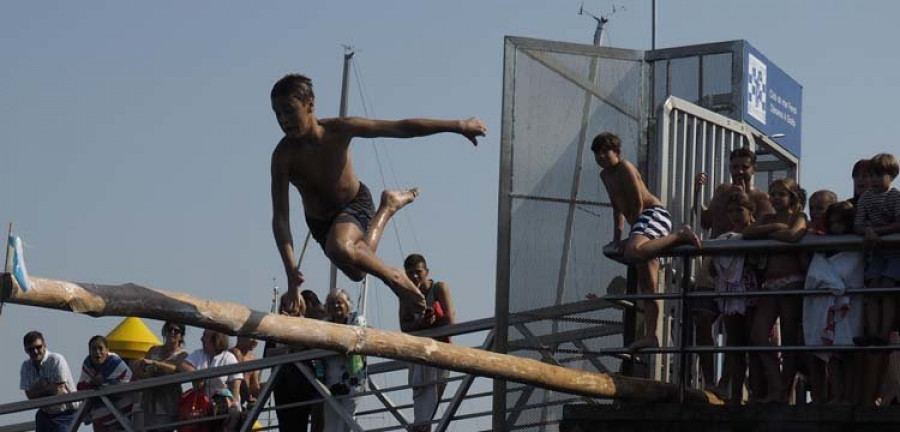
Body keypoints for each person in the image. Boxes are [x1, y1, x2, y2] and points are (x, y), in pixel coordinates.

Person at [269, 74, 486, 320]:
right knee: (358, 272)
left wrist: (458, 126)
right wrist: (291, 272)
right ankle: (388, 206)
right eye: (277, 114)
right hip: (320, 223)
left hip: (354, 205)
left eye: (289, 111)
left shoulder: (340, 130)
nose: (284, 120)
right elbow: (281, 219)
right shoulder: (283, 157)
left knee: (340, 246)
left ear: (310, 104)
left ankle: (394, 279)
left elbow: (400, 128)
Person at [592, 132, 701, 351]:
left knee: (633, 252)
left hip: (652, 215)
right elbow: (617, 208)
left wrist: (631, 239)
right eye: (597, 153)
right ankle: (652, 335)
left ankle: (680, 235)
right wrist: (616, 238)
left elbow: (638, 204)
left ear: (616, 151)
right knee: (648, 285)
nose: (602, 156)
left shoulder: (625, 167)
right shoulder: (605, 176)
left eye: (606, 151)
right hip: (640, 225)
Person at [693, 146, 775, 394]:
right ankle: (708, 381)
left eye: (744, 167)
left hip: (742, 267)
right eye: (734, 167)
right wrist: (698, 192)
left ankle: (725, 383)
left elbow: (765, 228)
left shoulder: (761, 199)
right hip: (713, 263)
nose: (738, 171)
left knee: (736, 330)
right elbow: (705, 221)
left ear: (754, 169)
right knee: (701, 317)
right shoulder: (721, 191)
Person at [743, 177, 808, 403]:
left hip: (792, 281)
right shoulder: (767, 218)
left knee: (789, 338)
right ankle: (777, 385)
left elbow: (794, 235)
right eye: (773, 193)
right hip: (769, 283)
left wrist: (769, 233)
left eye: (781, 193)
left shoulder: (798, 216)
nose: (776, 198)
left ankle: (784, 391)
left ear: (792, 197)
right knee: (758, 334)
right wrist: (774, 227)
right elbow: (747, 233)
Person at [802, 201, 865, 404]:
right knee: (832, 355)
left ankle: (850, 395)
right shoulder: (823, 246)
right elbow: (815, 274)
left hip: (848, 308)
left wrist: (832, 281)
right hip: (827, 306)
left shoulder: (856, 245)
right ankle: (837, 395)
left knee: (848, 354)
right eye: (833, 222)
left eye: (840, 222)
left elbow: (853, 272)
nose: (836, 227)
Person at [853, 153, 900, 405]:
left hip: (893, 253)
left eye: (875, 174)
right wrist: (868, 231)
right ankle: (872, 332)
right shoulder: (867, 198)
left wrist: (877, 232)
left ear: (890, 176)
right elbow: (858, 224)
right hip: (877, 251)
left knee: (887, 288)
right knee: (872, 289)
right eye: (868, 174)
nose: (870, 179)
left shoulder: (896, 196)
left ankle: (882, 331)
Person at [708, 190, 759, 404]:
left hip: (753, 295)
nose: (735, 215)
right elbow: (711, 268)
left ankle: (757, 395)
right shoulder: (725, 238)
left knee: (755, 344)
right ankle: (736, 396)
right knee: (735, 346)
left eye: (739, 210)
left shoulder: (757, 233)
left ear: (750, 211)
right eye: (730, 211)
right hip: (730, 296)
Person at [402, 254, 455, 431]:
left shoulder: (439, 288)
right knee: (421, 398)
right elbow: (404, 326)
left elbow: (450, 318)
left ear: (427, 272)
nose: (415, 277)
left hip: (440, 353)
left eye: (418, 272)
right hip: (419, 355)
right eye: (410, 273)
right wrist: (422, 323)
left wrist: (435, 317)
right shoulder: (406, 295)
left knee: (433, 401)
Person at [265, 291, 323, 432]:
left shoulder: (307, 326)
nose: (287, 307)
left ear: (300, 307)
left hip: (303, 383)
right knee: (286, 426)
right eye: (284, 304)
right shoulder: (273, 327)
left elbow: (311, 350)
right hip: (281, 384)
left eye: (292, 304)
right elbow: (267, 355)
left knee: (301, 423)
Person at [321, 289, 367, 432]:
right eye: (332, 303)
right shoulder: (324, 324)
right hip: (330, 382)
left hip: (353, 381)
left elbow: (355, 340)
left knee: (347, 422)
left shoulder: (357, 319)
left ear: (347, 304)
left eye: (339, 302)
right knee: (330, 426)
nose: (336, 306)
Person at [132, 322, 188, 432]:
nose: (172, 332)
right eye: (169, 329)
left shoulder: (183, 355)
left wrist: (156, 364)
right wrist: (139, 366)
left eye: (176, 331)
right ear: (164, 331)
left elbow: (177, 370)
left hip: (169, 402)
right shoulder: (154, 350)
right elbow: (142, 371)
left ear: (181, 336)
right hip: (149, 401)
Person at [19, 331, 79, 432]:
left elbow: (58, 390)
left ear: (45, 345)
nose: (35, 351)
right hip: (45, 413)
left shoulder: (56, 359)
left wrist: (39, 390)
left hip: (65, 413)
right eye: (31, 349)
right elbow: (30, 395)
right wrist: (48, 388)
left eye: (38, 347)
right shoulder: (26, 366)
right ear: (26, 350)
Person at [76, 335, 135, 431]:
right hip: (102, 414)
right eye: (93, 349)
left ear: (107, 350)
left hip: (125, 412)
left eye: (100, 348)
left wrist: (95, 383)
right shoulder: (87, 364)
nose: (97, 353)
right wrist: (94, 384)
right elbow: (81, 387)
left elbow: (100, 380)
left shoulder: (114, 361)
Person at [180, 330, 243, 412]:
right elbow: (183, 365)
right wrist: (198, 376)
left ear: (216, 339)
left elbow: (235, 386)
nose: (201, 339)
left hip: (223, 409)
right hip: (204, 409)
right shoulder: (199, 354)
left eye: (205, 336)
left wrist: (234, 407)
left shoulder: (229, 358)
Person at [229, 337, 261, 407]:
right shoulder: (235, 353)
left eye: (256, 337)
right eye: (251, 337)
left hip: (244, 400)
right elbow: (242, 380)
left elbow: (255, 385)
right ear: (240, 337)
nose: (255, 342)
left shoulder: (253, 358)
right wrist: (249, 398)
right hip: (231, 401)